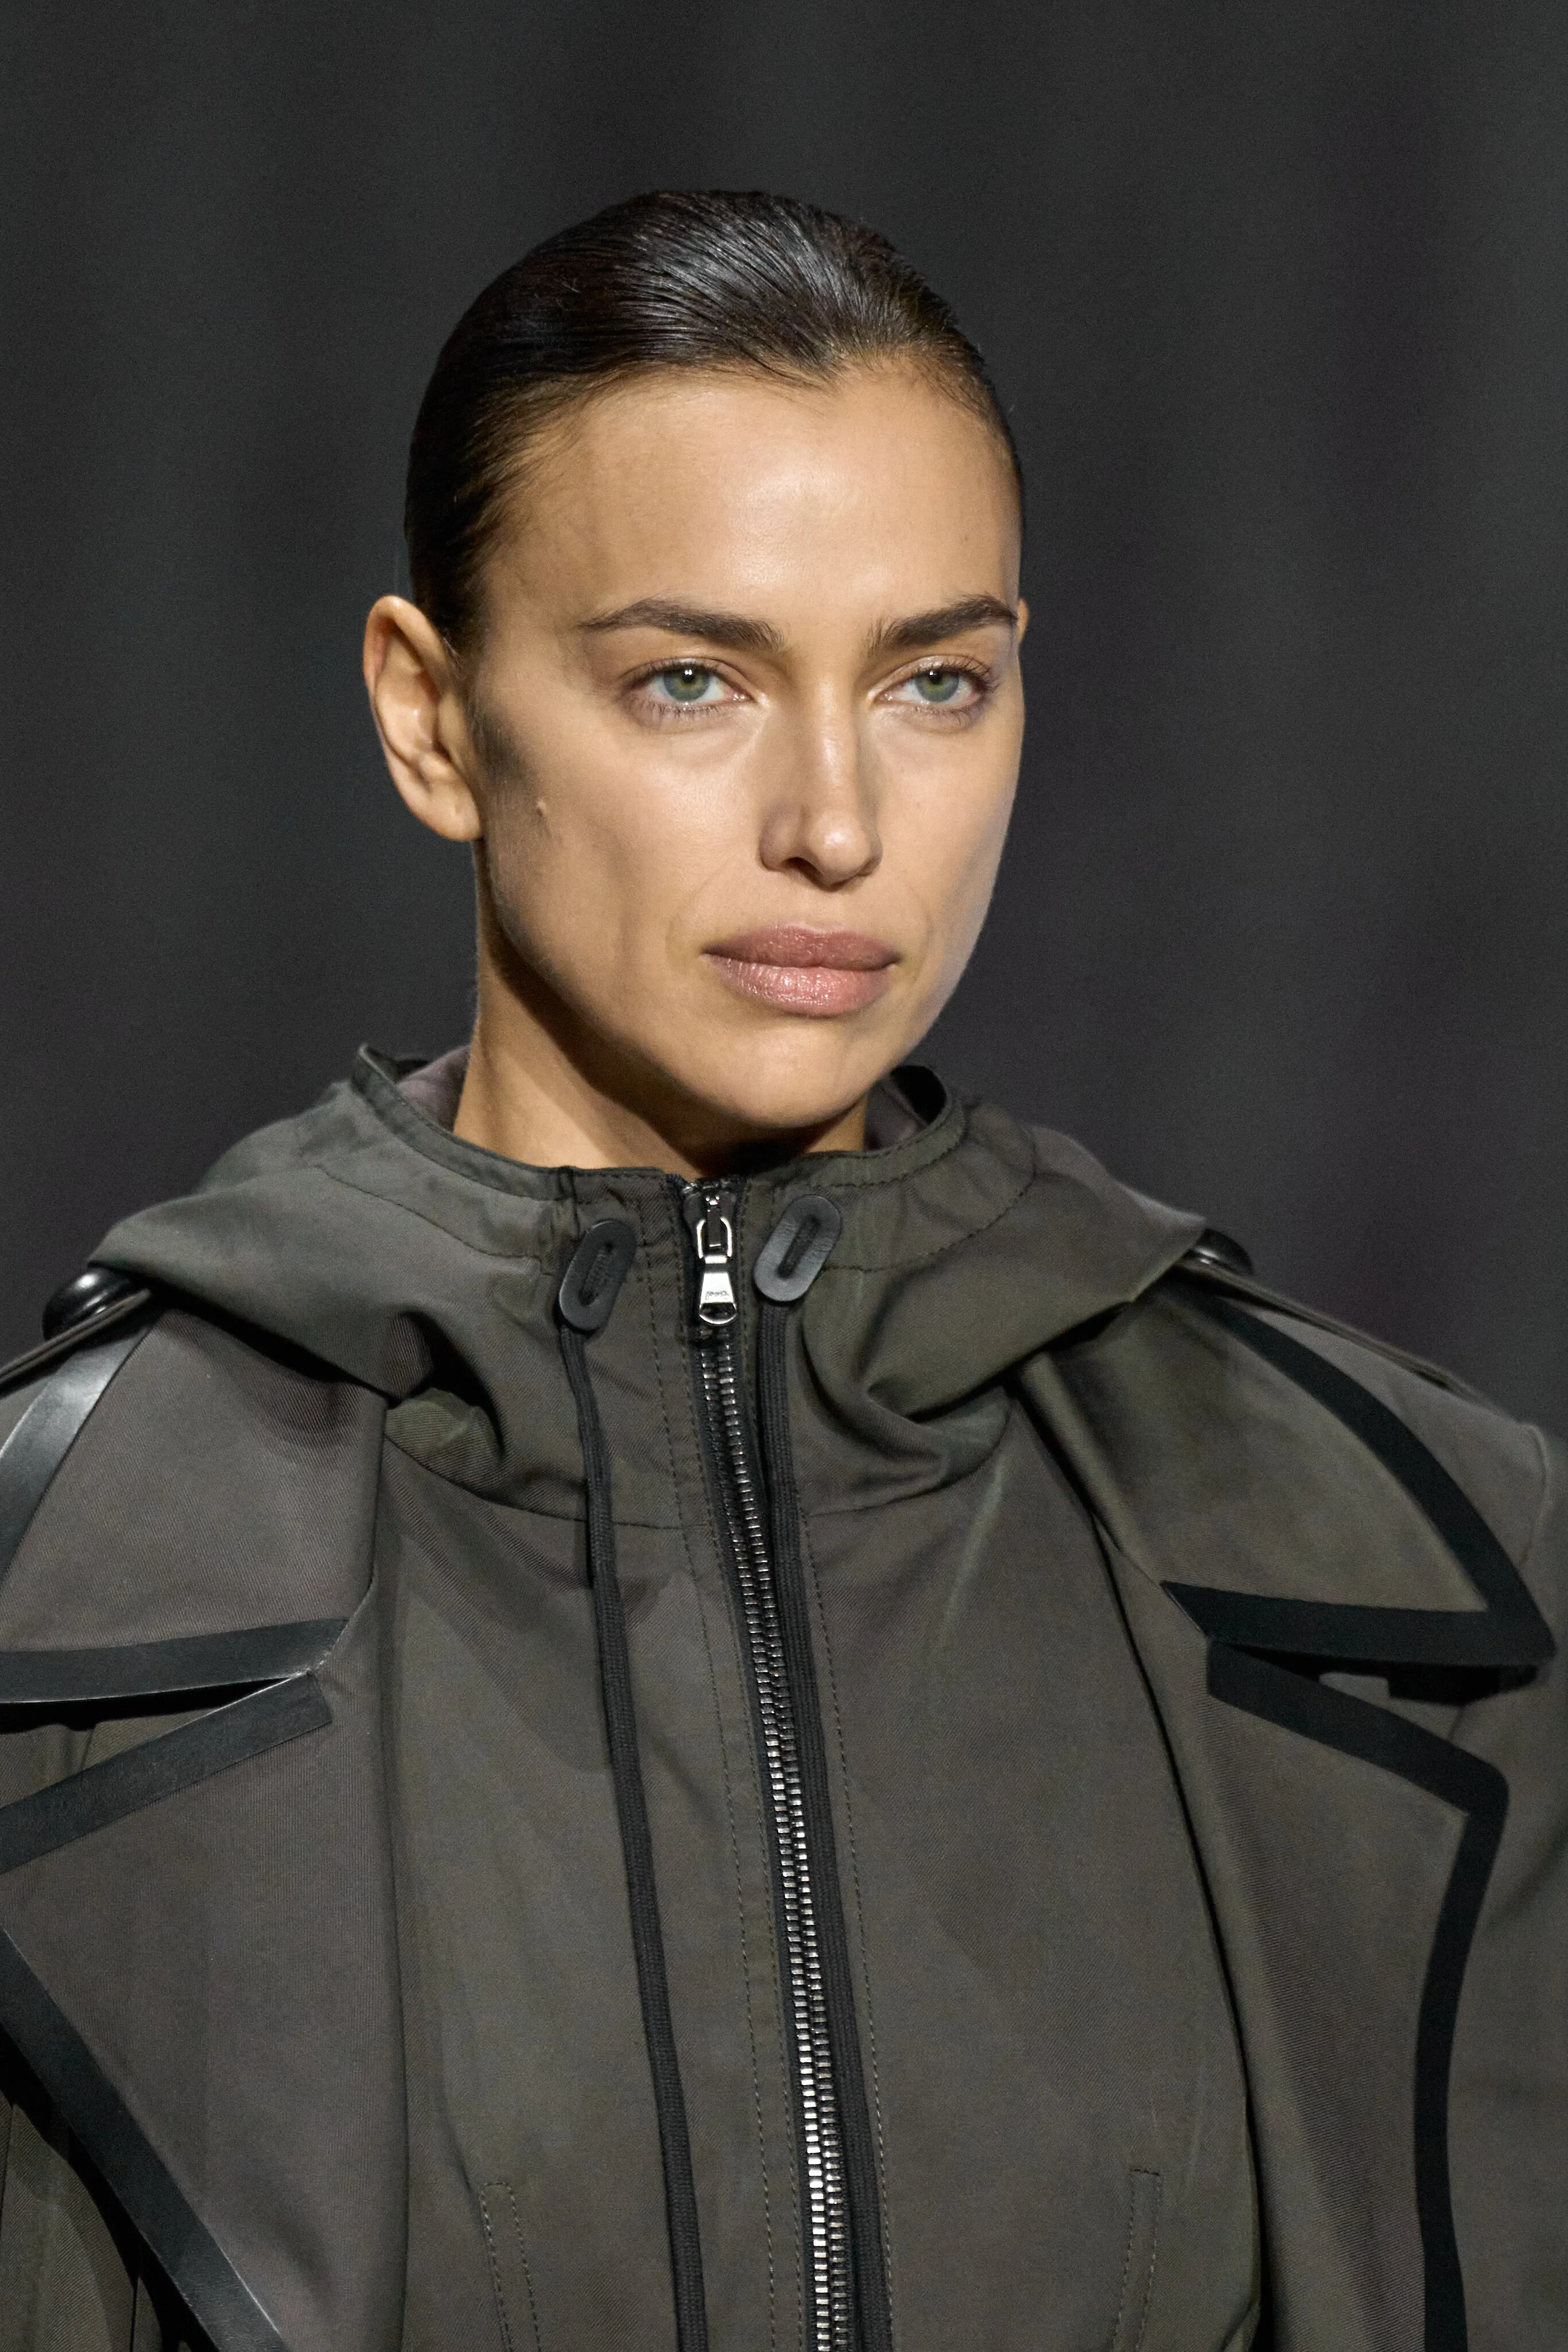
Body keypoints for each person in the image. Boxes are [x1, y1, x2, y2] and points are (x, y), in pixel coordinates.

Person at [0, 189, 1560, 2352]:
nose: (837, 823)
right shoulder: (57, 1603)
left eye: (934, 681)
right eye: (690, 679)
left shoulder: (1432, 1574)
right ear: (431, 717)